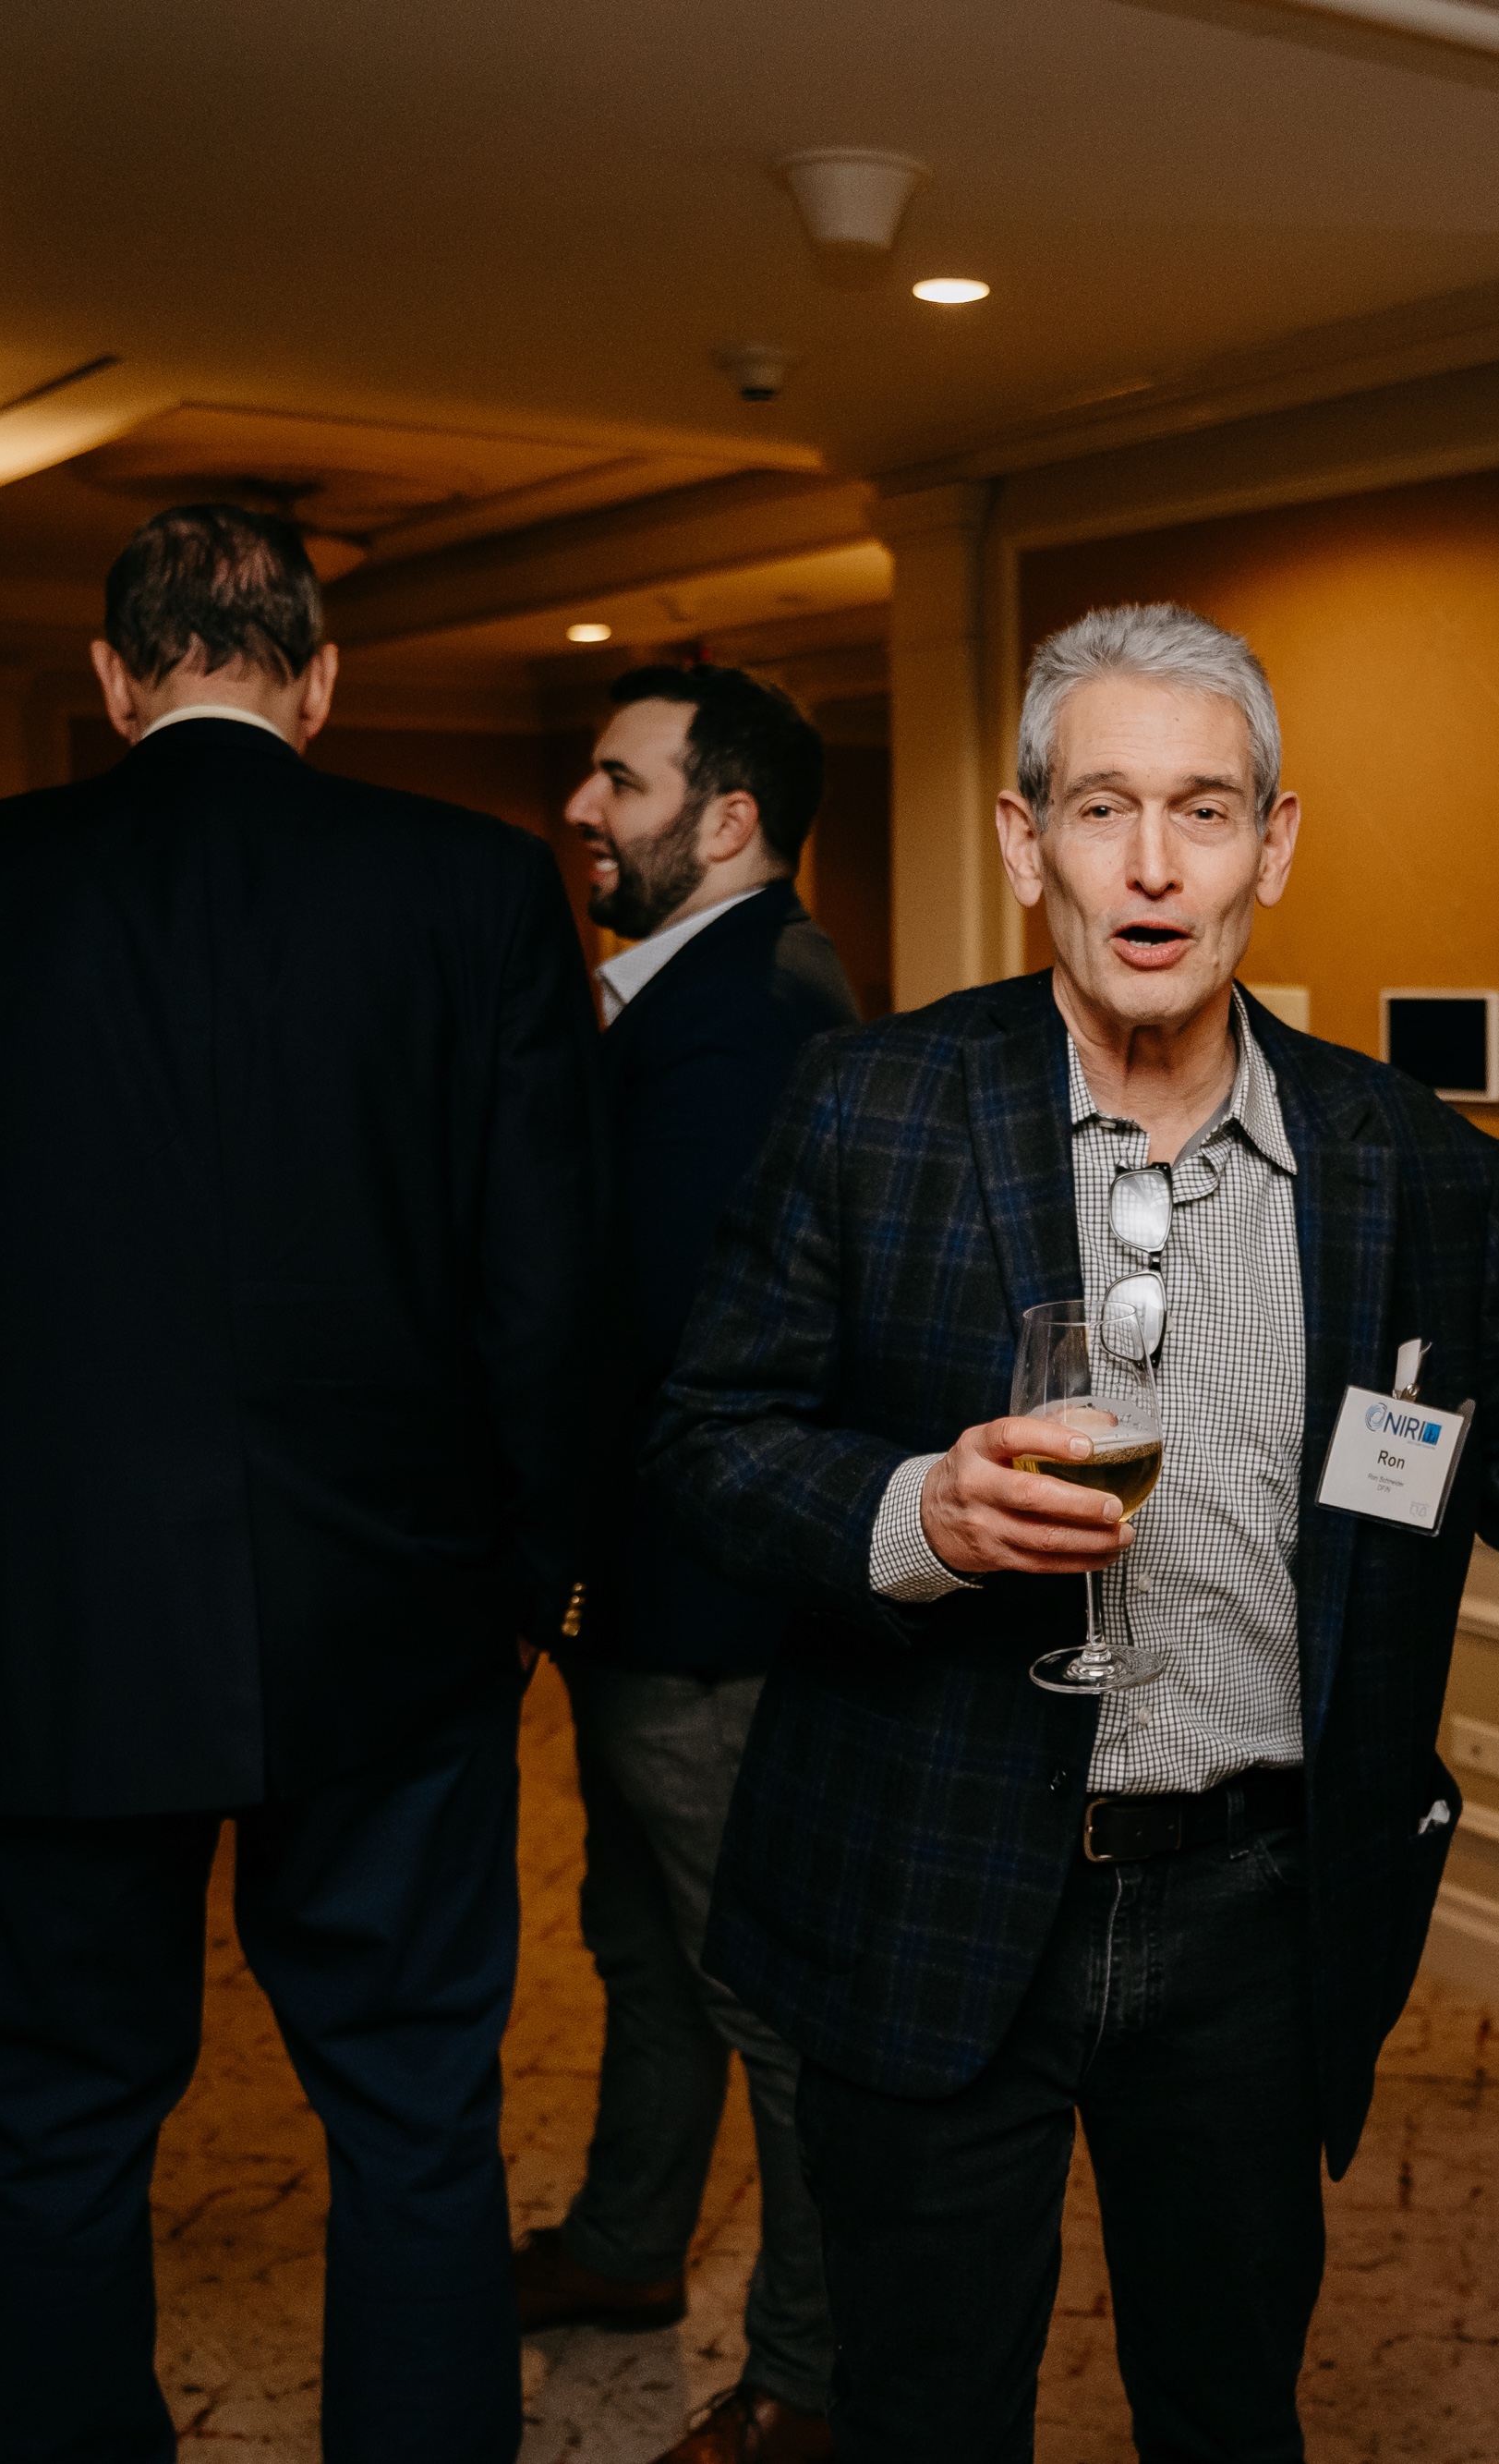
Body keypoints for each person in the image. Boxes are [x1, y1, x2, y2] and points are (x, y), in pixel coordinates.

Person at [652, 602, 1499, 2463]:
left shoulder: (1424, 1175)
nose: (1153, 867)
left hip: (1251, 1916)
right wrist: (915, 1509)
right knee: (925, 2419)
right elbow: (707, 1442)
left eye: (1204, 812)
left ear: (1271, 846)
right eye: (1101, 809)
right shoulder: (871, 1105)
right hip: (930, 1878)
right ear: (1024, 840)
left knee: (1227, 2412)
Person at [0, 504, 602, 2464]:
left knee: (50, 2123)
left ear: (112, 676)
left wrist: (36, 1374)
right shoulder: (476, 885)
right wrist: (533, 1577)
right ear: (319, 679)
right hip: (391, 1612)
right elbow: (551, 1296)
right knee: (413, 2111)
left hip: (51, 1609)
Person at [516, 664, 859, 2464]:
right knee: (641, 1941)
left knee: (764, 1992)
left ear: (727, 820)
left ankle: (807, 2376)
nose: (582, 807)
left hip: (705, 1602)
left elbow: (653, 1336)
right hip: (643, 1595)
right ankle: (627, 2241)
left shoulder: (739, 1016)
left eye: (620, 780)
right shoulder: (706, 988)